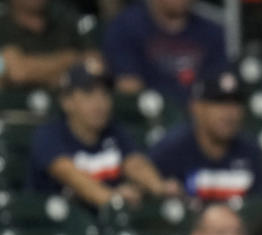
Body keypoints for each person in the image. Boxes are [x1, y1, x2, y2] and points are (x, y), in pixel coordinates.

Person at [26, 61, 181, 210]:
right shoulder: (50, 134)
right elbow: (73, 177)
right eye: (88, 92)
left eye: (105, 93)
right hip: (59, 227)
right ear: (67, 101)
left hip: (104, 224)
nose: (99, 102)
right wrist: (114, 199)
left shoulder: (114, 131)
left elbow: (135, 163)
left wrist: (159, 187)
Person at [149, 69, 262, 201]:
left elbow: (260, 206)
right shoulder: (171, 150)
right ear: (196, 108)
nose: (230, 113)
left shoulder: (250, 151)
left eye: (236, 103)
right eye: (219, 102)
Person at [102, 0, 229, 108]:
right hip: (149, 118)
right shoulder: (126, 28)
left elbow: (217, 89)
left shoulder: (213, 33)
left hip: (200, 122)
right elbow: (129, 88)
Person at [0, 0, 100, 89]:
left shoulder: (64, 16)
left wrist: (30, 67)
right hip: (16, 106)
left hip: (69, 104)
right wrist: (69, 59)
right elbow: (18, 73)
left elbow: (95, 65)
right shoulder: (3, 25)